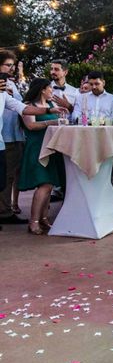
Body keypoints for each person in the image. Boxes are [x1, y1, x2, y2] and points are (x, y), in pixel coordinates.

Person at [18, 78, 65, 235]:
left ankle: (44, 218)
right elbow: (30, 125)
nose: (52, 90)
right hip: (37, 148)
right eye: (50, 88)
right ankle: (34, 221)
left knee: (50, 185)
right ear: (42, 89)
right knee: (43, 185)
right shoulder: (30, 106)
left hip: (51, 148)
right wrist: (50, 123)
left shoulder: (52, 106)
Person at [0, 50, 27, 225]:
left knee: (12, 174)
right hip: (5, 136)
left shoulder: (11, 83)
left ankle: (9, 207)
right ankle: (4, 211)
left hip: (16, 133)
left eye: (12, 65)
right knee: (5, 176)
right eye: (8, 65)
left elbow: (19, 105)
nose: (11, 68)